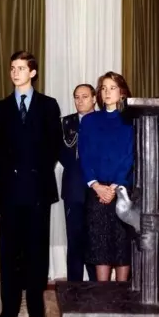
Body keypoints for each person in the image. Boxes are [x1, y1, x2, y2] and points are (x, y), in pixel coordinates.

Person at [0, 51, 61, 317]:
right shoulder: (0, 108)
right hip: (10, 188)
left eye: (21, 68)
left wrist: (33, 171)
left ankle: (35, 306)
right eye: (12, 68)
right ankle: (9, 307)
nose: (15, 73)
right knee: (10, 250)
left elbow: (53, 146)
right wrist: (9, 171)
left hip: (38, 188)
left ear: (32, 73)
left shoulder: (48, 105)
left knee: (36, 249)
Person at [79, 72, 134, 282]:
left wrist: (114, 187)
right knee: (100, 244)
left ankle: (121, 295)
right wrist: (96, 186)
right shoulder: (90, 120)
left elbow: (130, 155)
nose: (107, 92)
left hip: (122, 190)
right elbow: (84, 155)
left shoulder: (131, 119)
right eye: (103, 88)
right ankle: (103, 295)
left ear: (122, 92)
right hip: (97, 191)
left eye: (112, 87)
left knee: (122, 244)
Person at [58, 84, 98, 282]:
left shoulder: (102, 121)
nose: (80, 101)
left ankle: (96, 287)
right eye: (76, 97)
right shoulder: (65, 123)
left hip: (98, 189)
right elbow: (62, 155)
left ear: (94, 99)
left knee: (95, 240)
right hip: (74, 187)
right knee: (74, 240)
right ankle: (74, 287)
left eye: (84, 96)